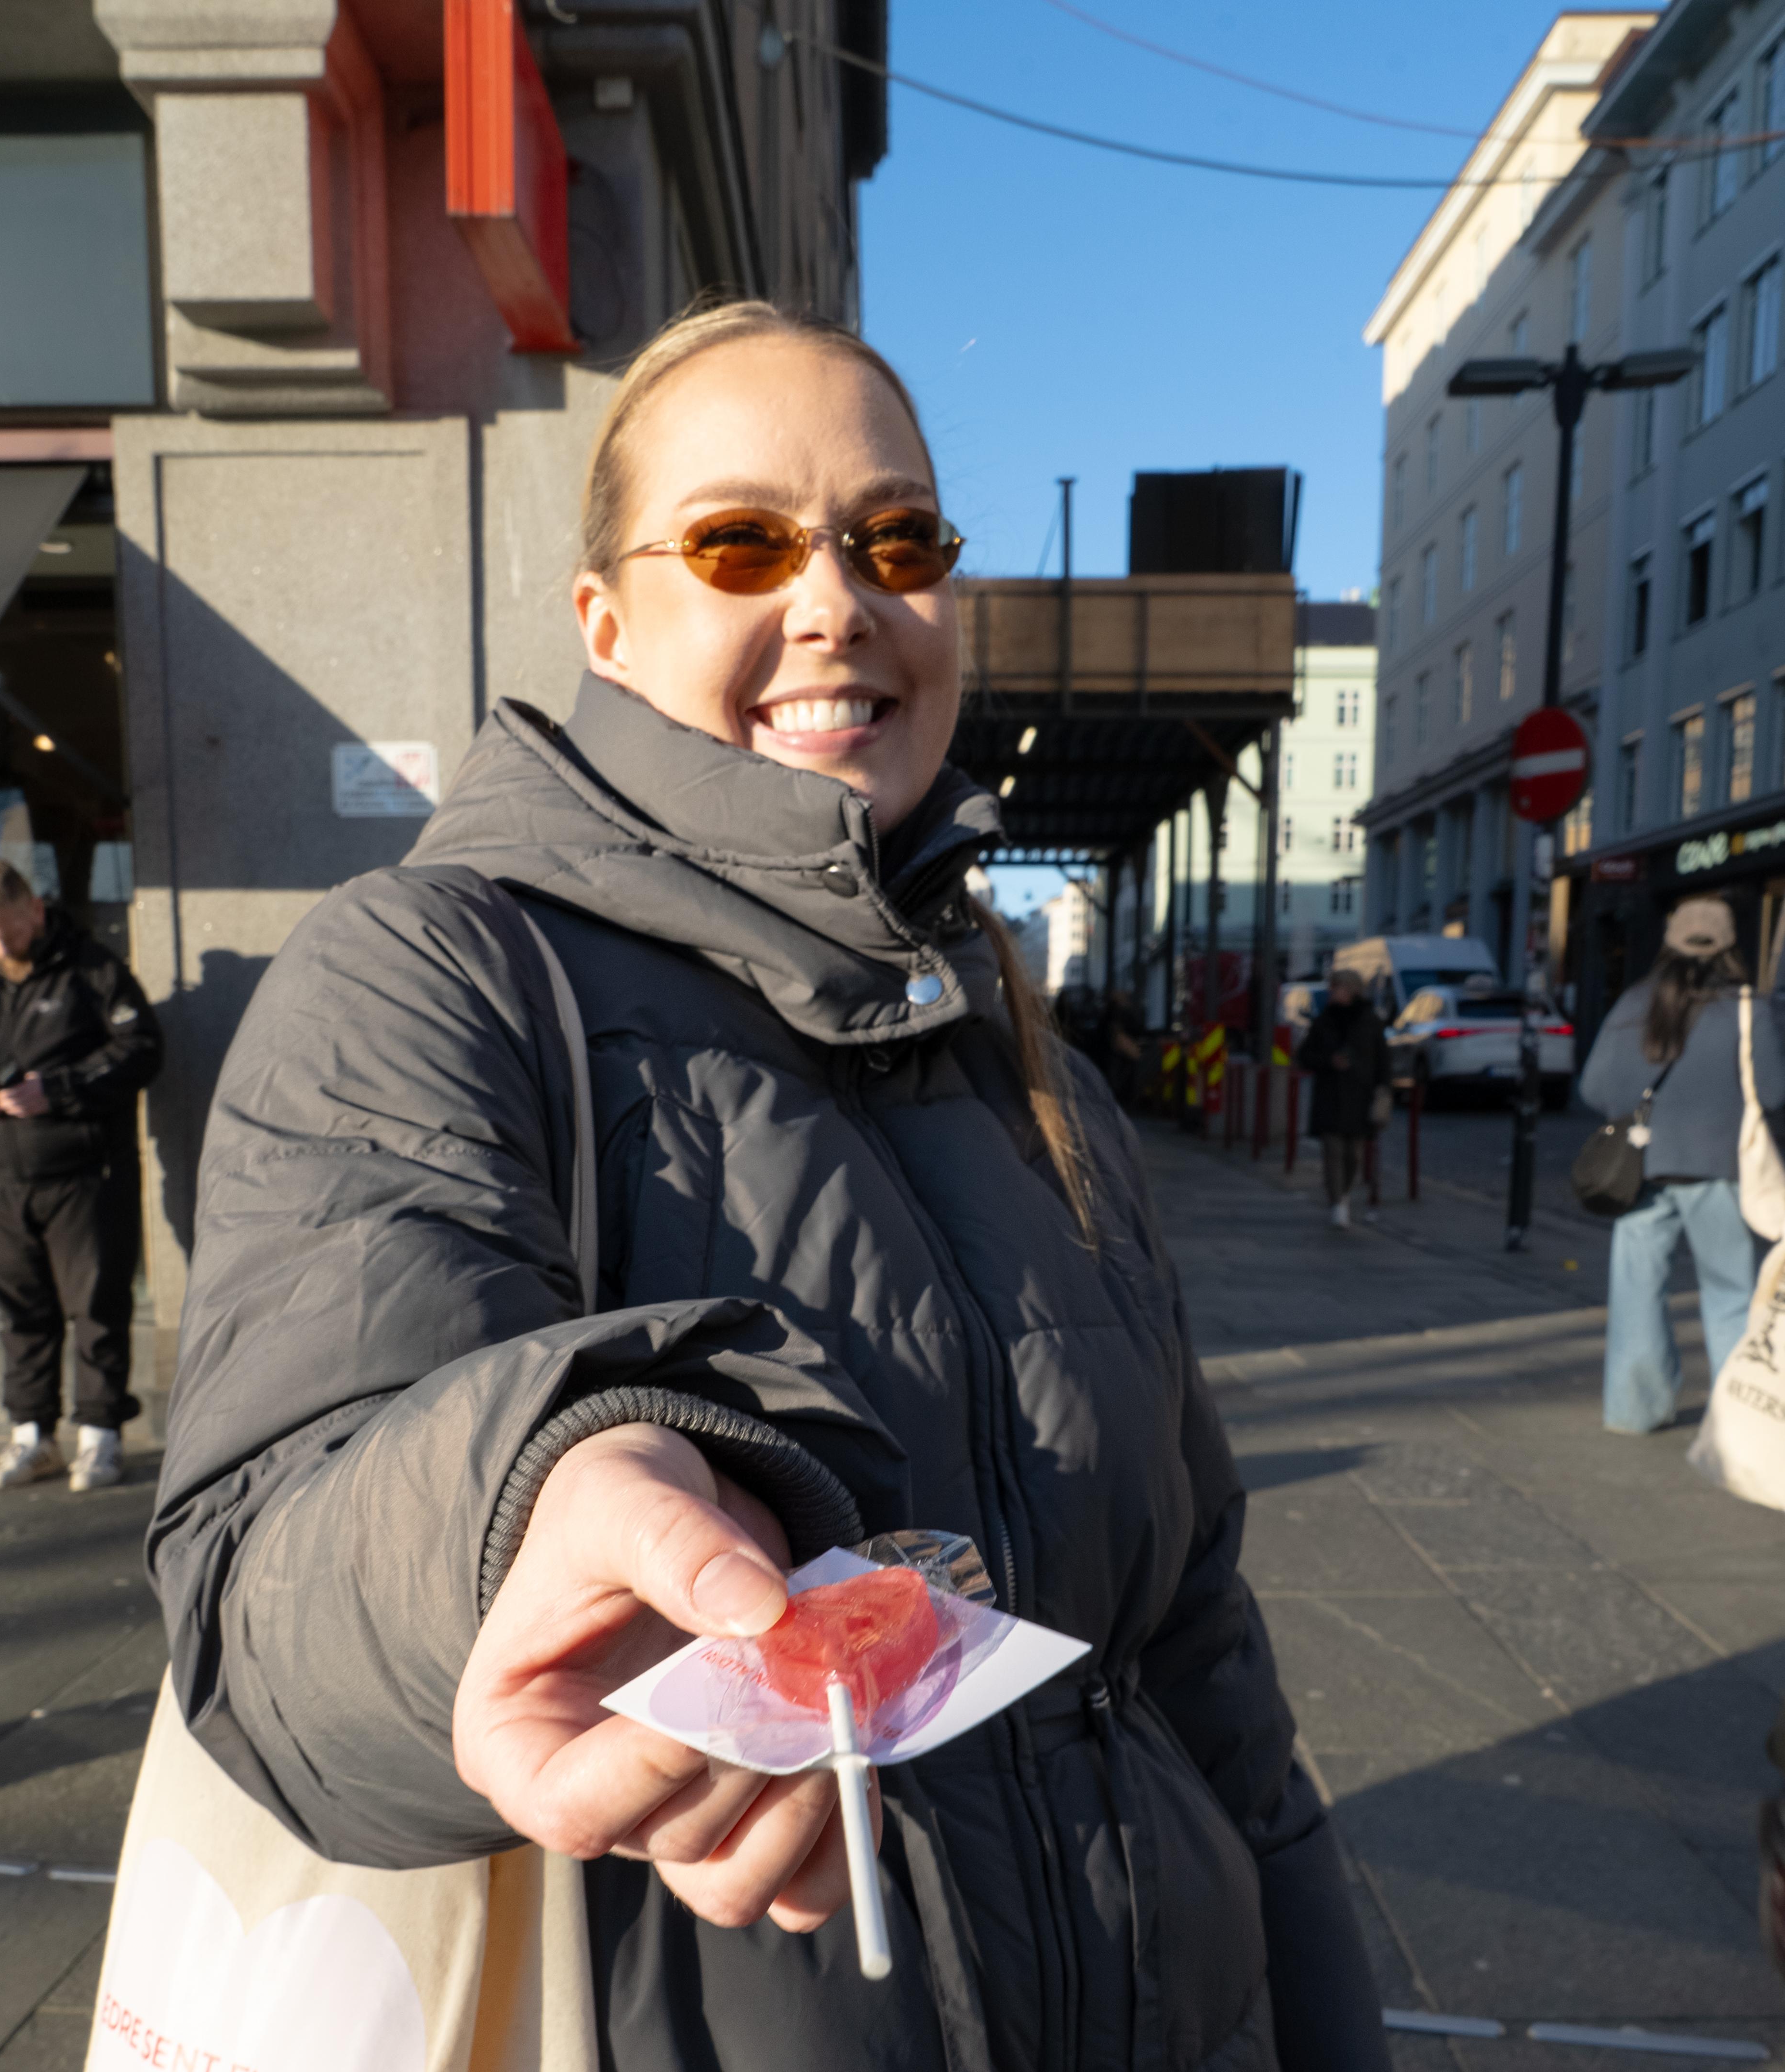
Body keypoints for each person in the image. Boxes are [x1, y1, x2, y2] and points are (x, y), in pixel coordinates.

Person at [153, 303, 1388, 2072]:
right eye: (742, 541)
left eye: (896, 540)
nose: (836, 600)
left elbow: (1203, 1658)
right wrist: (515, 1515)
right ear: (607, 620)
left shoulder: (1030, 1051)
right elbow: (263, 1596)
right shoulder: (435, 974)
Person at [0, 856, 161, 1491]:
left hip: (81, 1173)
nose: (2, 944)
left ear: (36, 911)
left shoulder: (92, 969)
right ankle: (33, 1434)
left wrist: (62, 1089)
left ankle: (101, 1435)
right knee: (21, 1312)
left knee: (97, 1306)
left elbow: (142, 1048)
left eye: (11, 929)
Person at [1579, 895, 1785, 1435]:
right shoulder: (1748, 1009)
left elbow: (1593, 1086)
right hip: (1717, 1169)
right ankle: (1735, 1418)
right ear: (1729, 947)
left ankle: (1632, 1408)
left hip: (1639, 1170)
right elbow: (1773, 1091)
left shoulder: (1633, 1005)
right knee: (1729, 1293)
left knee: (1635, 1293)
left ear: (1668, 943)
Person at [1296, 967, 1391, 1230]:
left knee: (1354, 1155)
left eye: (1336, 987)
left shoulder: (1370, 1020)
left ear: (1350, 989)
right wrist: (1329, 1061)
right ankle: (1337, 1203)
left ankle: (1345, 1193)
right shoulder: (1324, 1020)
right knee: (1333, 1151)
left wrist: (1383, 1089)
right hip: (1330, 1096)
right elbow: (1304, 1055)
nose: (1331, 992)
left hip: (1360, 1097)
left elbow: (1383, 1059)